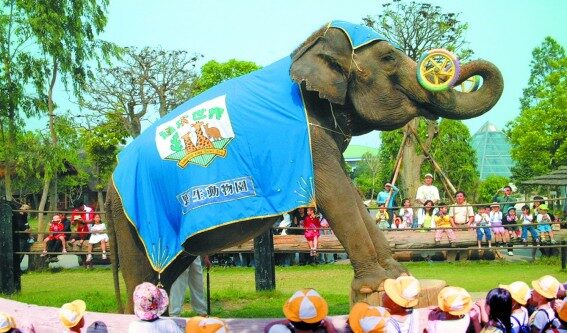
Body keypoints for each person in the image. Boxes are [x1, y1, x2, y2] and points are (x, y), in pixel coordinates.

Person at [264, 288, 337, 333]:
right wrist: (330, 326)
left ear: (292, 318)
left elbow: (268, 327)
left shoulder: (280, 330)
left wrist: (288, 320)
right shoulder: (323, 330)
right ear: (319, 321)